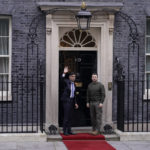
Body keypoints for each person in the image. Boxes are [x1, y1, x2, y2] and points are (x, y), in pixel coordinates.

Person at [60, 66, 79, 136]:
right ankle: (65, 131)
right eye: (72, 76)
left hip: (71, 101)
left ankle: (69, 130)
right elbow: (61, 80)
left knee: (70, 117)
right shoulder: (66, 82)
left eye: (74, 76)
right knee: (66, 116)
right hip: (66, 101)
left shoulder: (74, 84)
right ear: (70, 77)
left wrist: (76, 103)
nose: (74, 77)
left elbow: (74, 94)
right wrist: (64, 73)